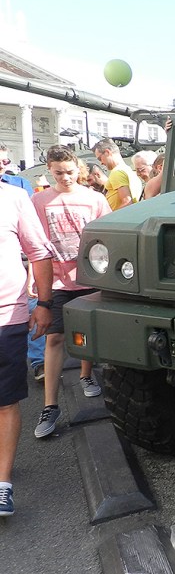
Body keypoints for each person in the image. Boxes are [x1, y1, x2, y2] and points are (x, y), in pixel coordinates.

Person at [30, 146, 112, 439]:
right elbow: (34, 245)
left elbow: (107, 234)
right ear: (50, 171)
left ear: (78, 168)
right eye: (58, 173)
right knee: (54, 338)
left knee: (87, 332)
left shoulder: (94, 198)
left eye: (69, 172)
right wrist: (33, 278)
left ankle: (86, 375)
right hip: (55, 280)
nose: (65, 177)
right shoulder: (39, 200)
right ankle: (50, 405)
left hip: (89, 276)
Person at [0, 178, 54, 516]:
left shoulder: (15, 197)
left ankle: (2, 484)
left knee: (5, 401)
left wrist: (45, 304)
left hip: (6, 315)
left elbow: (39, 252)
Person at [1, 144, 46, 381]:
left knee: (30, 307)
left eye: (5, 161)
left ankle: (39, 361)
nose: (2, 166)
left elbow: (36, 247)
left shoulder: (17, 190)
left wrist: (44, 302)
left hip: (11, 295)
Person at [93, 138, 143, 210]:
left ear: (107, 152)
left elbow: (127, 202)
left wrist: (109, 216)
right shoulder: (130, 172)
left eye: (100, 158)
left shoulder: (117, 172)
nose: (101, 163)